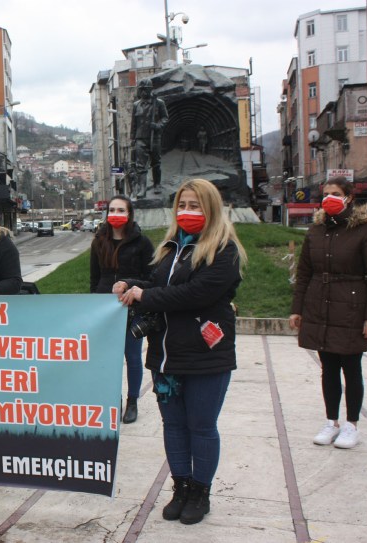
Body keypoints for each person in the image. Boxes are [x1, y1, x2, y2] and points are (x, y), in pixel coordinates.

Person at [113, 179, 247, 525]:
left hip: (206, 354)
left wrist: (145, 296)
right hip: (166, 355)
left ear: (211, 208)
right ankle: (181, 487)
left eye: (195, 205)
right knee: (173, 425)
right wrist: (132, 285)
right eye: (182, 205)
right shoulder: (172, 247)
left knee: (201, 426)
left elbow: (195, 293)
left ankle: (200, 492)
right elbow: (161, 285)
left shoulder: (225, 250)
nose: (187, 212)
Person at [289, 176, 367, 450]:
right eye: (326, 193)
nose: (330, 198)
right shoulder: (316, 230)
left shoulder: (366, 231)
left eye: (336, 193)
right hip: (319, 305)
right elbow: (304, 273)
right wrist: (297, 309)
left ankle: (352, 425)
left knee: (351, 367)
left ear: (349, 197)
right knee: (328, 368)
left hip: (351, 307)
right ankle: (331, 421)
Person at [89, 196, 154, 424]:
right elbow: (94, 277)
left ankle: (132, 401)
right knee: (109, 359)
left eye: (120, 210)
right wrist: (93, 305)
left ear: (129, 214)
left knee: (132, 357)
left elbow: (151, 278)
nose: (115, 214)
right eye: (112, 210)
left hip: (131, 307)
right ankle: (112, 399)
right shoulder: (99, 241)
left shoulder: (142, 243)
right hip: (104, 307)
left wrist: (131, 286)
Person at [130, 78, 168, 199]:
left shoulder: (159, 103)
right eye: (141, 90)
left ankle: (157, 184)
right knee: (140, 166)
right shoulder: (136, 105)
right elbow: (133, 123)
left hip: (154, 137)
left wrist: (157, 126)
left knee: (156, 162)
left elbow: (165, 118)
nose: (142, 92)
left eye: (145, 90)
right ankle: (142, 189)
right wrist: (132, 138)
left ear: (150, 89)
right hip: (140, 138)